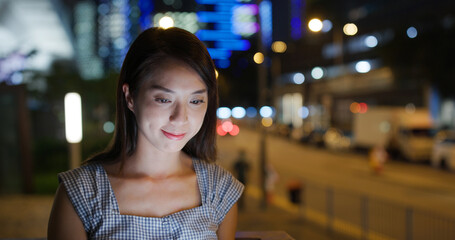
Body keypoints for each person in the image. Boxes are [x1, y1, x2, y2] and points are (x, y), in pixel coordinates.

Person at [48, 27, 244, 239]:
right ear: (130, 96)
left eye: (195, 101)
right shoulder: (82, 194)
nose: (180, 117)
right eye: (163, 99)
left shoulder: (219, 191)